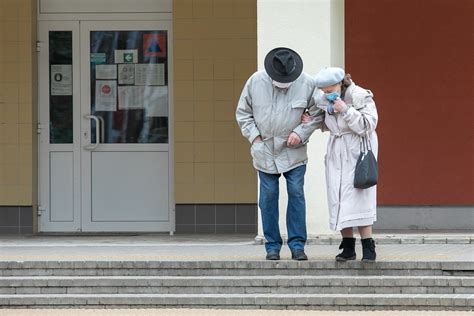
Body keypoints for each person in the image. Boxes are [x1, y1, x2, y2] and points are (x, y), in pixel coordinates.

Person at [236, 47, 324, 261]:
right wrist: (255, 138)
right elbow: (243, 113)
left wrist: (300, 133)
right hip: (264, 149)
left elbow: (317, 114)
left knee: (296, 193)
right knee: (267, 198)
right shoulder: (255, 82)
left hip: (294, 150)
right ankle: (272, 246)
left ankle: (297, 246)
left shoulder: (308, 83)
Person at [302, 67, 379, 262]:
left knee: (360, 196)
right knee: (339, 198)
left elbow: (368, 125)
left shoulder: (360, 96)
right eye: (324, 91)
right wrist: (313, 121)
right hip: (337, 152)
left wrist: (346, 110)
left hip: (358, 151)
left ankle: (368, 246)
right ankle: (348, 246)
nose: (327, 94)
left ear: (340, 83)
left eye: (330, 90)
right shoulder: (325, 100)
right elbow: (330, 124)